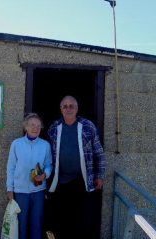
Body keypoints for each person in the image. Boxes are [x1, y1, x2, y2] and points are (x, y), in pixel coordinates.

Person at [47, 95, 106, 239]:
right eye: (65, 106)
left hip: (83, 181)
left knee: (82, 220)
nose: (68, 109)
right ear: (60, 109)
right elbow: (48, 154)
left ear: (77, 108)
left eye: (71, 106)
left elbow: (99, 153)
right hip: (60, 181)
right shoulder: (54, 127)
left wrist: (100, 175)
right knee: (62, 219)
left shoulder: (87, 126)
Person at [6, 113, 52, 239]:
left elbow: (49, 165)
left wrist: (45, 175)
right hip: (20, 191)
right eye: (32, 125)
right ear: (25, 127)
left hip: (38, 191)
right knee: (21, 224)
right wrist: (9, 188)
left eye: (38, 126)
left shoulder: (45, 145)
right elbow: (10, 167)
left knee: (36, 224)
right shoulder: (16, 144)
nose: (35, 128)